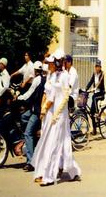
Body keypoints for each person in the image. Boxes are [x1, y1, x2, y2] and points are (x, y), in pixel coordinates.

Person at [31, 50, 81, 186]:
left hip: (60, 115)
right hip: (53, 114)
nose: (51, 64)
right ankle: (73, 171)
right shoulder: (52, 77)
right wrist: (44, 110)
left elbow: (65, 97)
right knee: (62, 142)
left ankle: (48, 176)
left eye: (54, 62)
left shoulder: (65, 76)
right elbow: (50, 96)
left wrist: (57, 114)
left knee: (53, 143)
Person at [20, 61, 46, 171]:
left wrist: (20, 98)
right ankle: (30, 140)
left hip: (37, 112)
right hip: (35, 109)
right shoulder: (44, 80)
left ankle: (30, 162)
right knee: (23, 117)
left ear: (36, 71)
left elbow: (30, 94)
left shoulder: (37, 80)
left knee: (28, 133)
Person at [86, 59, 105, 135]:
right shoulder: (94, 73)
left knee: (94, 97)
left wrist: (94, 88)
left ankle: (97, 112)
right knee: (91, 113)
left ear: (100, 67)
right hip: (95, 94)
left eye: (99, 66)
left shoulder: (102, 74)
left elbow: (100, 82)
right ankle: (94, 130)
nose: (97, 68)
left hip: (101, 93)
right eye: (96, 66)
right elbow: (91, 81)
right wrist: (86, 88)